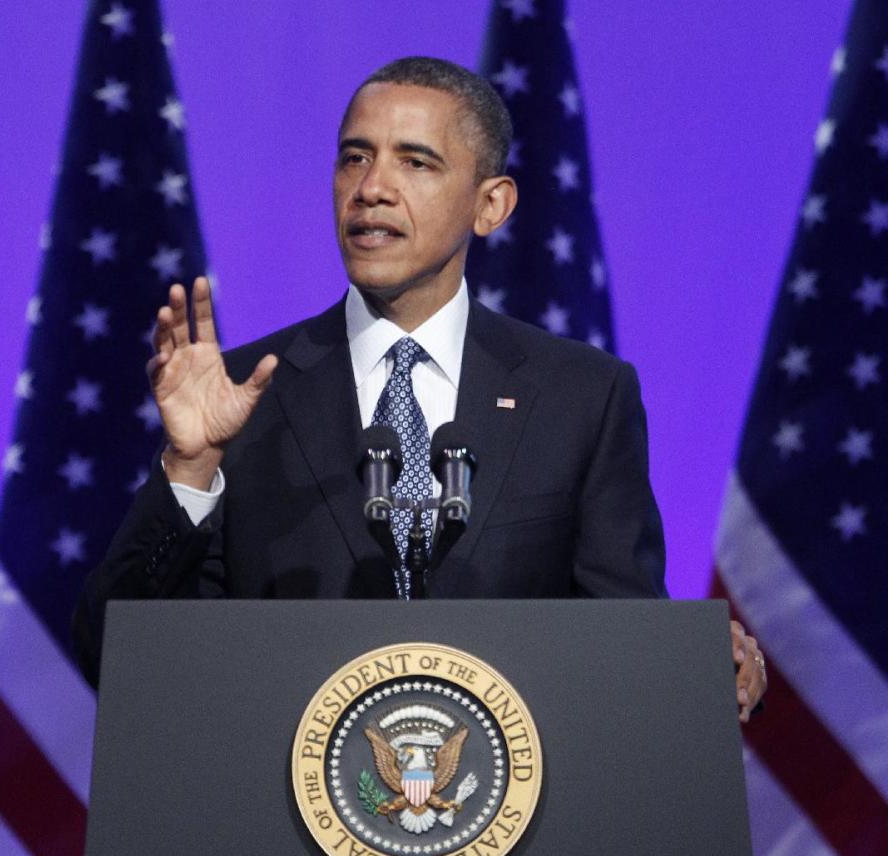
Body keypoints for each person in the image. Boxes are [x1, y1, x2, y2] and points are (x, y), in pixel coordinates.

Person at [73, 56, 766, 718]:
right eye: (354, 157)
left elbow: (623, 640)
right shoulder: (244, 392)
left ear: (490, 204)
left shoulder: (582, 395)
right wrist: (191, 469)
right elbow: (115, 656)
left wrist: (696, 667)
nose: (371, 187)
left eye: (416, 161)